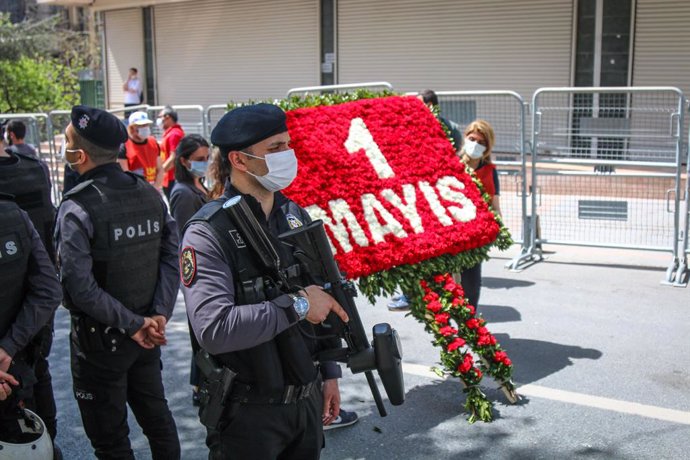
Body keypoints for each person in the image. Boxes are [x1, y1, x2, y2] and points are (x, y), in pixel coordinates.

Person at [180, 103, 359, 459]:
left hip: (305, 404)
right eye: (275, 149)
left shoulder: (293, 215)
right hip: (247, 414)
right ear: (240, 161)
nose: (287, 155)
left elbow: (322, 294)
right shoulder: (207, 232)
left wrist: (329, 373)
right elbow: (215, 329)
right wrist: (299, 306)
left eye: (287, 145)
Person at [55, 105, 181, 459]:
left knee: (111, 442)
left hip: (102, 345)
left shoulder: (76, 207)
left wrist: (139, 322)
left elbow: (79, 287)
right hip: (145, 336)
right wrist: (157, 316)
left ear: (78, 154)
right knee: (158, 423)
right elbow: (172, 257)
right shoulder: (148, 194)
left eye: (66, 142)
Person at [388, 89, 463, 311]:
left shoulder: (441, 127)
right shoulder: (417, 128)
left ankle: (436, 296)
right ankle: (419, 294)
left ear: (430, 106)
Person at [0, 194, 62, 456]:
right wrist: (8, 348)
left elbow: (48, 289)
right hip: (19, 367)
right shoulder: (13, 214)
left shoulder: (13, 214)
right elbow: (49, 289)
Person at [169, 134, 210, 406]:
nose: (204, 164)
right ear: (184, 161)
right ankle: (201, 386)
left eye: (207, 159)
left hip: (206, 266)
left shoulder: (197, 185)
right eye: (199, 160)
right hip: (198, 271)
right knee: (202, 331)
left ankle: (201, 382)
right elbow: (186, 239)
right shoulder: (183, 193)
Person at [455, 119, 501, 308]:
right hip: (450, 236)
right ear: (465, 139)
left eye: (481, 142)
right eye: (472, 139)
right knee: (448, 289)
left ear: (487, 147)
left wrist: (498, 227)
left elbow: (495, 205)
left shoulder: (490, 171)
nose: (475, 144)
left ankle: (468, 328)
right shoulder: (452, 164)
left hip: (475, 238)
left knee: (471, 287)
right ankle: (448, 333)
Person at [118, 111, 164, 190]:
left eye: (146, 125)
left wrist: (155, 188)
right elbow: (124, 174)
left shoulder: (153, 143)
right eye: (141, 125)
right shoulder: (124, 146)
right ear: (131, 128)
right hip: (135, 190)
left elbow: (160, 169)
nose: (145, 128)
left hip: (153, 188)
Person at [157, 106, 185, 199]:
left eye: (160, 117)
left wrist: (159, 173)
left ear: (167, 117)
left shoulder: (174, 134)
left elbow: (173, 158)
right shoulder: (170, 133)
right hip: (168, 177)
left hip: (172, 178)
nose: (159, 120)